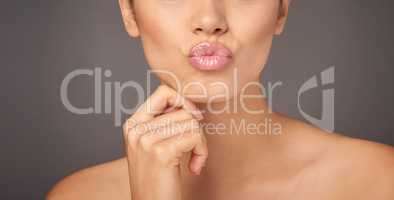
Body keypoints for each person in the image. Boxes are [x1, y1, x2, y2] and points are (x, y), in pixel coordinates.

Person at [47, 0, 394, 199]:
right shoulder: (77, 196)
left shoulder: (379, 182)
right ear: (129, 11)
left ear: (282, 8)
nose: (209, 20)